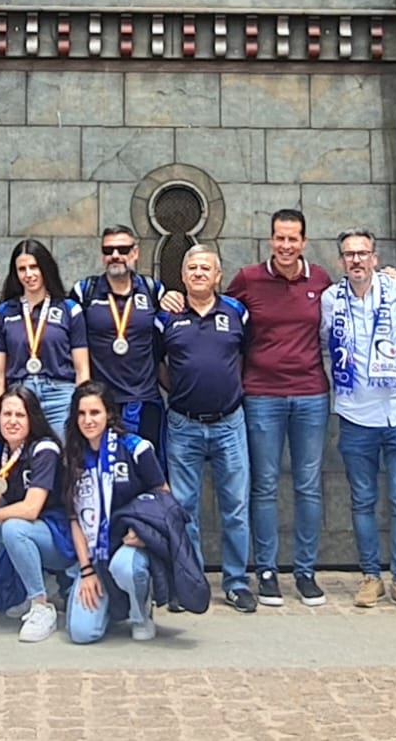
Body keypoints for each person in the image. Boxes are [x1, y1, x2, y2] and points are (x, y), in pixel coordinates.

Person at [226, 208, 332, 609]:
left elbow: (354, 303)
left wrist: (388, 279)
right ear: (270, 239)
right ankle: (266, 570)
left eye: (293, 239)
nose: (286, 246)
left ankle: (305, 571)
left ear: (304, 241)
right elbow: (216, 310)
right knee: (265, 485)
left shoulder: (320, 280)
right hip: (262, 395)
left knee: (308, 486)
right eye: (279, 238)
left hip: (310, 394)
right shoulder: (249, 279)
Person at [321, 227, 396, 612]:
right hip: (355, 414)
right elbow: (320, 342)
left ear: (376, 258)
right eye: (349, 254)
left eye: (363, 253)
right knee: (362, 500)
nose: (357, 260)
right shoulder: (331, 300)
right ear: (341, 261)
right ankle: (370, 576)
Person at [156, 243, 254, 612]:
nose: (198, 273)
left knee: (235, 507)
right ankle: (191, 582)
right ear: (182, 276)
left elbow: (243, 358)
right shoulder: (167, 317)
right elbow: (157, 365)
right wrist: (183, 391)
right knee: (185, 508)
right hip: (183, 425)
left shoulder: (237, 313)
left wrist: (224, 389)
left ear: (218, 276)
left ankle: (236, 581)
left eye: (205, 268)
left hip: (230, 423)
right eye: (192, 268)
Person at [0, 387, 70, 642]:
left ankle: (41, 605)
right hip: (21, 529)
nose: (12, 421)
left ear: (32, 418)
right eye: (6, 414)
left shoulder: (45, 449)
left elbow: (31, 509)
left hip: (54, 533)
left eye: (20, 414)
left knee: (13, 528)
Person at [60, 380, 168, 644]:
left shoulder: (134, 448)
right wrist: (86, 570)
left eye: (95, 412)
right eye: (81, 414)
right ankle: (110, 605)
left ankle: (141, 609)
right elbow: (73, 517)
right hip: (94, 555)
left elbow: (163, 495)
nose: (88, 420)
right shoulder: (71, 457)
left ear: (109, 413)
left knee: (125, 567)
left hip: (129, 547)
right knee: (82, 634)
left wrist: (144, 531)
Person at [73, 225, 164, 447]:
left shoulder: (153, 290)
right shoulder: (84, 291)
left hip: (145, 400)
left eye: (123, 249)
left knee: (146, 471)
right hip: (101, 402)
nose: (115, 256)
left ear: (135, 252)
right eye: (108, 250)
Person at [0, 239, 90, 436]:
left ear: (46, 267)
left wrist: (82, 408)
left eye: (34, 267)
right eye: (22, 269)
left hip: (61, 396)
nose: (29, 274)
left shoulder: (70, 310)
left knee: (64, 460)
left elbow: (82, 368)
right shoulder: (2, 313)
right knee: (22, 461)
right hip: (20, 397)